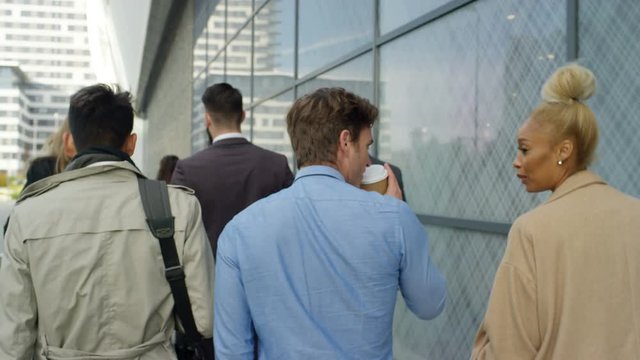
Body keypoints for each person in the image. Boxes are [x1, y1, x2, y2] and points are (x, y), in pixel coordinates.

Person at [214, 87, 447, 359]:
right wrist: (397, 214)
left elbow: (232, 352)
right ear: (345, 141)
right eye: (367, 147)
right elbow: (430, 304)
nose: (368, 161)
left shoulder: (239, 230)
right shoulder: (393, 216)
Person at [0, 84, 214, 359]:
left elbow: (14, 339)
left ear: (69, 142)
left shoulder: (28, 213)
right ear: (131, 143)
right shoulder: (178, 207)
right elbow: (203, 320)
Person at [471, 64, 640, 359]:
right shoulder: (635, 214)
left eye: (524, 149)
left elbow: (507, 351)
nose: (516, 161)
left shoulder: (532, 231)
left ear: (563, 151)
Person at [171, 82, 293, 258]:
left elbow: (176, 230)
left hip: (210, 276)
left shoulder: (187, 169)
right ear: (243, 116)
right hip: (267, 273)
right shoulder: (276, 164)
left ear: (207, 119)